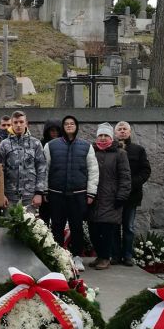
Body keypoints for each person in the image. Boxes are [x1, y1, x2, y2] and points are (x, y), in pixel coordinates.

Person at [44, 115, 99, 272]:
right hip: (56, 194)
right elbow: (45, 169)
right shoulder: (50, 146)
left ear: (76, 126)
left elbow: (93, 170)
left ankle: (77, 257)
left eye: (72, 123)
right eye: (66, 124)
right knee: (57, 226)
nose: (69, 126)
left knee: (77, 227)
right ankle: (58, 257)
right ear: (62, 127)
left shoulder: (86, 146)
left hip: (78, 195)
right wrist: (45, 189)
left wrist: (91, 193)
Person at [88, 123, 131, 270]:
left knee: (106, 231)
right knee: (93, 231)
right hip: (94, 198)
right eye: (100, 135)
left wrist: (121, 196)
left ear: (111, 138)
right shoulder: (91, 152)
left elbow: (125, 177)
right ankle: (100, 256)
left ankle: (105, 258)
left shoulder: (120, 153)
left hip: (111, 199)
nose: (103, 138)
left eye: (106, 135)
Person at [113, 121, 151, 266]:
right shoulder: (111, 149)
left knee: (128, 227)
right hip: (114, 196)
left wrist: (131, 184)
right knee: (114, 227)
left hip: (132, 196)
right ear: (115, 133)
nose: (122, 131)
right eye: (120, 129)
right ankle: (115, 255)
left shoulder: (138, 150)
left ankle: (128, 255)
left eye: (125, 129)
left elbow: (145, 171)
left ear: (129, 132)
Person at [0, 110, 47, 211]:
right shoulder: (4, 144)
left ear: (26, 123)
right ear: (12, 124)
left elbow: (41, 168)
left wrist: (39, 193)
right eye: (15, 122)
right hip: (10, 195)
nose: (18, 125)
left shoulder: (36, 143)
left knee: (29, 221)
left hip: (30, 196)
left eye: (21, 122)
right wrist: (1, 194)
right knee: (9, 221)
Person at [39, 119, 62, 224]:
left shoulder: (65, 144)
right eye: (52, 130)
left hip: (59, 187)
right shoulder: (40, 145)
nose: (55, 133)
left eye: (57, 130)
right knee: (44, 219)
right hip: (45, 185)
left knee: (58, 220)